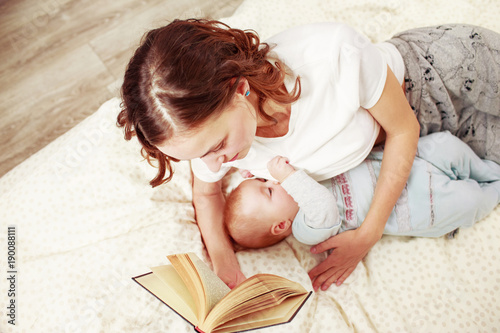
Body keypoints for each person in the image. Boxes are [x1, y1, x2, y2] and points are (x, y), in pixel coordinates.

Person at [117, 19, 500, 290]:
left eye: (216, 147)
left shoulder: (331, 56)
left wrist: (368, 234)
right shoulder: (208, 142)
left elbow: (404, 129)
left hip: (438, 77)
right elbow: (206, 192)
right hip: (430, 143)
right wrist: (223, 259)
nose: (215, 165)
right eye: (199, 158)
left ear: (240, 89)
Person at [224, 132, 500, 265]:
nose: (272, 180)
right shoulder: (306, 229)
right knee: (469, 201)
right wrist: (288, 177)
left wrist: (256, 169)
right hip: (420, 203)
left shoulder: (301, 178)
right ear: (280, 226)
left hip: (409, 162)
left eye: (263, 180)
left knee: (447, 144)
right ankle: (494, 189)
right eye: (267, 190)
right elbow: (323, 205)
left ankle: (490, 171)